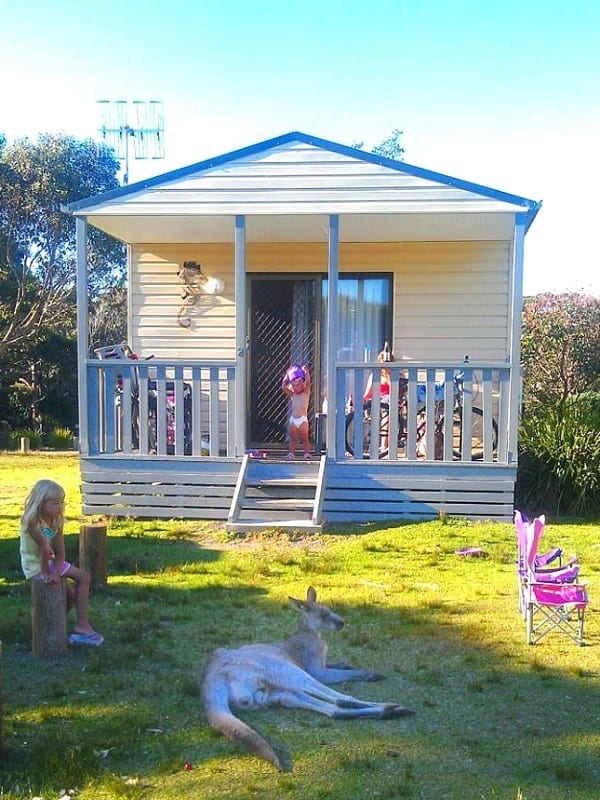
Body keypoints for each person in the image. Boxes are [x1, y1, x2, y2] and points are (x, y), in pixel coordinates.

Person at [19, 479, 103, 646]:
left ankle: (72, 624)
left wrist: (56, 570)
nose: (60, 506)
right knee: (68, 587)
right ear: (41, 503)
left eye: (62, 502)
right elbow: (44, 549)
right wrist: (47, 574)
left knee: (79, 584)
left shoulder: (56, 520)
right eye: (55, 503)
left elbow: (59, 551)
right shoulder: (32, 523)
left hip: (50, 560)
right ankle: (54, 626)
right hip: (35, 564)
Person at [281, 365, 311, 460]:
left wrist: (306, 372)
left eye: (297, 385)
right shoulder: (293, 394)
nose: (295, 387)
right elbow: (283, 387)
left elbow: (308, 383)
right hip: (293, 419)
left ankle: (307, 453)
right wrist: (286, 376)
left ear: (302, 384)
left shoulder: (305, 392)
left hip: (302, 419)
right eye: (293, 385)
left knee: (305, 438)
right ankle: (291, 453)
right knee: (293, 438)